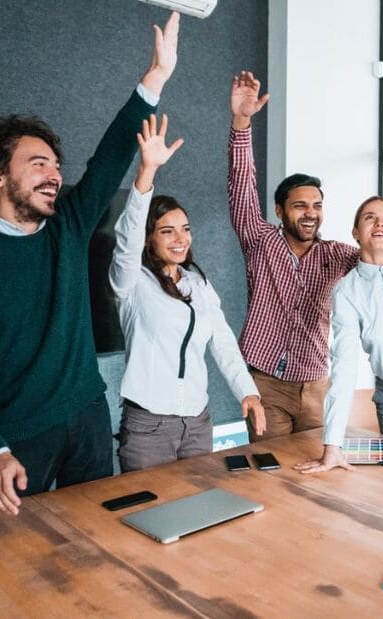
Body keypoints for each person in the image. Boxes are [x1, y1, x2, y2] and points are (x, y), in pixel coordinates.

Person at [0, 12, 180, 515]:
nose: (54, 175)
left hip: (88, 417)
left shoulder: (67, 227)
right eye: (38, 164)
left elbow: (108, 160)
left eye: (56, 166)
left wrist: (155, 78)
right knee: (13, 564)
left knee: (100, 541)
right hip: (15, 437)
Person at [228, 71, 383, 443]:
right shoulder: (259, 240)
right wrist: (241, 123)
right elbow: (241, 187)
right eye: (300, 206)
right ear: (280, 211)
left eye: (317, 206)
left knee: (317, 471)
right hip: (267, 384)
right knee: (272, 472)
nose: (310, 213)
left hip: (316, 384)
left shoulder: (336, 256)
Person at [295, 80, 383, 474]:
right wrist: (331, 445)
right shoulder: (348, 292)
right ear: (355, 232)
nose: (381, 223)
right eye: (370, 218)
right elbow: (342, 368)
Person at [109, 114, 265, 473]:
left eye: (185, 229)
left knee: (198, 509)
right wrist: (146, 173)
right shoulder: (131, 283)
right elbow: (128, 239)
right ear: (150, 238)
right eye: (167, 231)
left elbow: (222, 341)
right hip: (149, 427)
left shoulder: (197, 282)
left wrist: (248, 392)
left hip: (197, 422)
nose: (181, 239)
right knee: (148, 516)